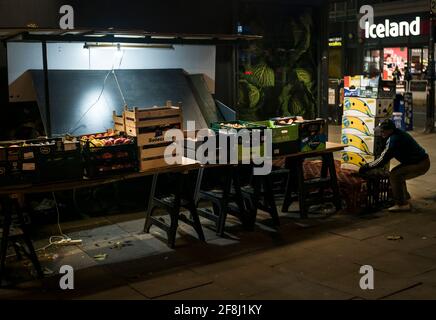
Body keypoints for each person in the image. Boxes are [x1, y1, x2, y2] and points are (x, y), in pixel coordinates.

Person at [359, 119, 430, 212]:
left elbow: (382, 160)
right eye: (381, 130)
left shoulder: (394, 140)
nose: (381, 133)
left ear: (390, 130)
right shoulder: (396, 133)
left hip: (420, 164)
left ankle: (402, 204)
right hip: (418, 161)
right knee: (398, 173)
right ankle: (406, 198)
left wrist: (367, 166)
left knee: (395, 175)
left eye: (383, 131)